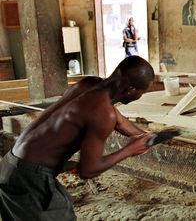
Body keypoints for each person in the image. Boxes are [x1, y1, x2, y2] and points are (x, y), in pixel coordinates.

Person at [0, 56, 180, 220]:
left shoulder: (89, 85)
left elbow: (121, 122)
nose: (141, 95)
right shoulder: (102, 112)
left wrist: (147, 136)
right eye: (143, 91)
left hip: (10, 164)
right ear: (130, 89)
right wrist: (129, 150)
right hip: (30, 180)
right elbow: (88, 171)